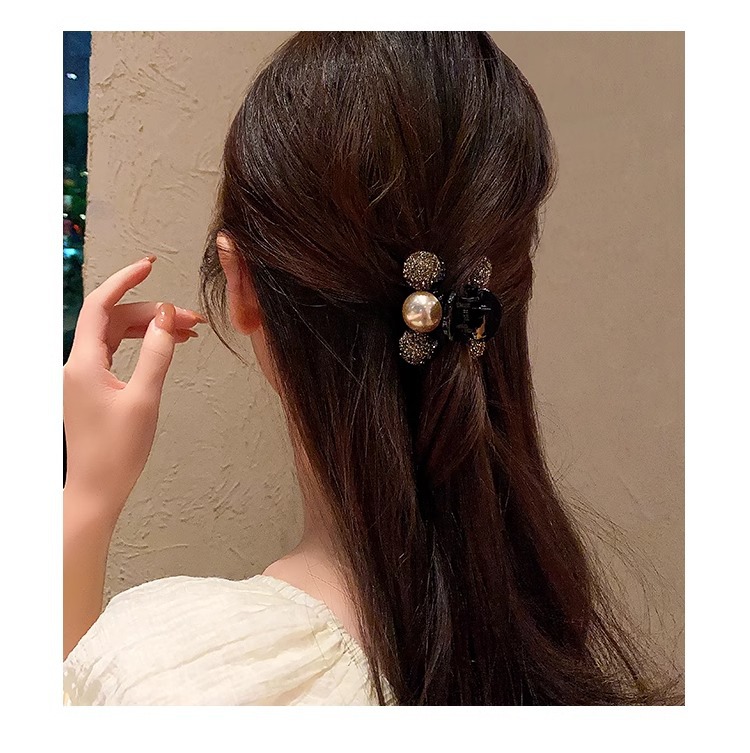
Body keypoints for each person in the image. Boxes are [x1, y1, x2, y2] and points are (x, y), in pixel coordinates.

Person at [62, 31, 681, 705]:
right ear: (498, 286)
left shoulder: (175, 675)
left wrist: (87, 500)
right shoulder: (557, 649)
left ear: (241, 284)